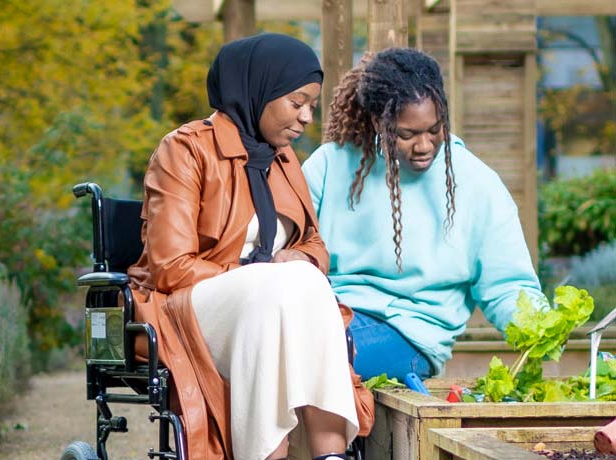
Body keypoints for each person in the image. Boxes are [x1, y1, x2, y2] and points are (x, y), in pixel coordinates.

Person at [127, 33, 373, 460]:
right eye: (296, 103)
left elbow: (314, 244)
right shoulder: (185, 150)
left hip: (269, 307)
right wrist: (263, 276)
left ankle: (330, 456)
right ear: (258, 88)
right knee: (279, 288)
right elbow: (169, 267)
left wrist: (301, 258)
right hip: (187, 310)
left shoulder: (283, 158)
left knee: (304, 281)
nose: (306, 118)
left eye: (311, 105)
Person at [301, 48, 545, 382]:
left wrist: (541, 327)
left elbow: (506, 285)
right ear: (378, 122)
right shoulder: (330, 164)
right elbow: (290, 243)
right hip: (328, 313)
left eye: (434, 129)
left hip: (410, 334)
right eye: (407, 134)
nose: (424, 145)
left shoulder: (477, 184)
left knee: (317, 352)